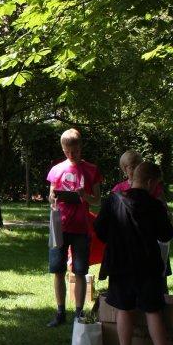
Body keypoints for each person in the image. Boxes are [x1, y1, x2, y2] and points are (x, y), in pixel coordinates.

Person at [94, 161, 173, 345]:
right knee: (153, 311)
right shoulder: (155, 206)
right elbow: (166, 235)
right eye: (157, 184)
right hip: (148, 266)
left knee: (124, 309)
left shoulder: (113, 201)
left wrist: (115, 238)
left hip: (120, 265)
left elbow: (99, 229)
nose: (158, 188)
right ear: (149, 182)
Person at [47, 129, 102, 327]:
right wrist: (53, 198)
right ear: (63, 149)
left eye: (75, 151)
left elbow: (97, 200)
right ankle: (60, 312)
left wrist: (84, 196)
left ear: (81, 148)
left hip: (81, 228)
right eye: (68, 151)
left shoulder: (91, 170)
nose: (72, 155)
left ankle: (79, 314)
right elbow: (51, 196)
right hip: (59, 227)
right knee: (58, 270)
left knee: (80, 271)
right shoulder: (56, 170)